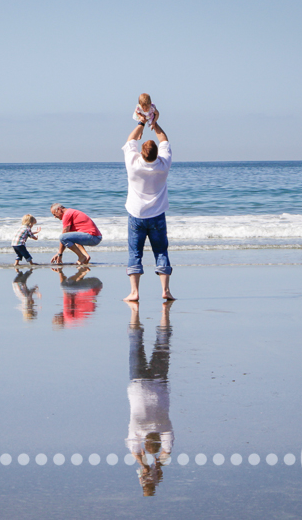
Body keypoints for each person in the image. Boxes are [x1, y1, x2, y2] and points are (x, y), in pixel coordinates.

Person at [121, 113, 174, 301]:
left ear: (141, 152)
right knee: (161, 251)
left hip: (137, 214)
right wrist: (155, 123)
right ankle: (165, 291)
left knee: (135, 252)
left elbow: (130, 140)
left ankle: (134, 293)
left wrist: (142, 122)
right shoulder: (163, 164)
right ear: (156, 153)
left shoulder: (133, 164)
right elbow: (164, 140)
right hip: (157, 214)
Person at [125, 301, 173, 496]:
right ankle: (134, 311)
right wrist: (145, 466)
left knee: (163, 342)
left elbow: (166, 452)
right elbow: (135, 451)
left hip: (159, 383)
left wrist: (158, 467)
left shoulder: (165, 428)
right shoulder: (137, 431)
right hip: (138, 384)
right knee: (135, 343)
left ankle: (164, 311)